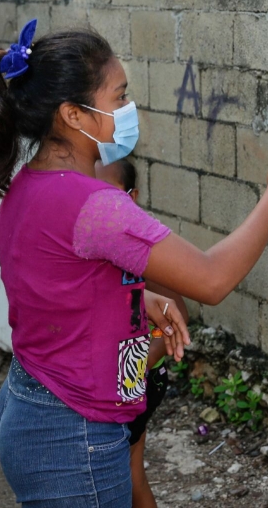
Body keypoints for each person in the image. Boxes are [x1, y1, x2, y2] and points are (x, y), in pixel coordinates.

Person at [0, 20, 268, 507]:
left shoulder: (31, 185)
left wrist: (131, 296)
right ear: (74, 114)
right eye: (118, 97)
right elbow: (211, 280)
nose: (129, 110)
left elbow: (55, 283)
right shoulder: (95, 204)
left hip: (30, 402)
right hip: (74, 429)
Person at [95, 158, 188, 508]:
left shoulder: (138, 251)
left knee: (121, 471)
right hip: (119, 377)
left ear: (131, 198)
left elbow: (177, 314)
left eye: (106, 194)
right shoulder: (90, 245)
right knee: (131, 473)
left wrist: (135, 365)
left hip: (137, 377)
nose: (95, 204)